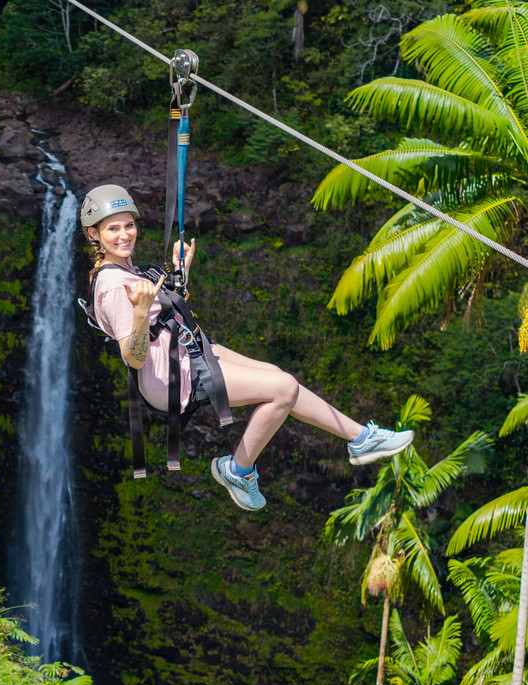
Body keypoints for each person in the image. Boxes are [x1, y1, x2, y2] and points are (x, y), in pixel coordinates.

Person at [81, 184, 413, 511]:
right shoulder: (113, 287)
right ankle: (237, 470)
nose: (124, 234)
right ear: (94, 235)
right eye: (113, 228)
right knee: (283, 389)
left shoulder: (125, 269)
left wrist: (181, 271)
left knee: (278, 376)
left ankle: (360, 439)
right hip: (168, 376)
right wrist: (139, 312)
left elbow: (164, 312)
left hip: (188, 352)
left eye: (129, 225)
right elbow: (134, 357)